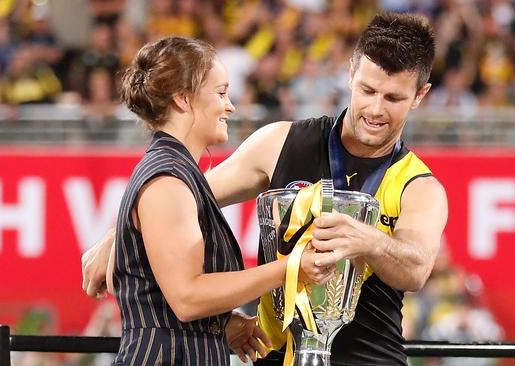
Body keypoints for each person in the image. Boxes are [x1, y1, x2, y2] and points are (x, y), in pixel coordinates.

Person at [83, 12, 448, 365]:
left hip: (367, 359)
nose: (375, 108)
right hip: (272, 357)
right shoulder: (281, 141)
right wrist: (116, 234)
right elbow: (183, 193)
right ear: (350, 74)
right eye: (367, 90)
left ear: (420, 95)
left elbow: (415, 270)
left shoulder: (420, 187)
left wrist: (367, 240)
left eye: (394, 98)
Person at [107, 36, 334, 365]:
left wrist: (221, 324)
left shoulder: (178, 173)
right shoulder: (168, 180)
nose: (231, 106)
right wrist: (291, 268)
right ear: (183, 99)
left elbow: (154, 295)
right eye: (221, 93)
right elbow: (187, 297)